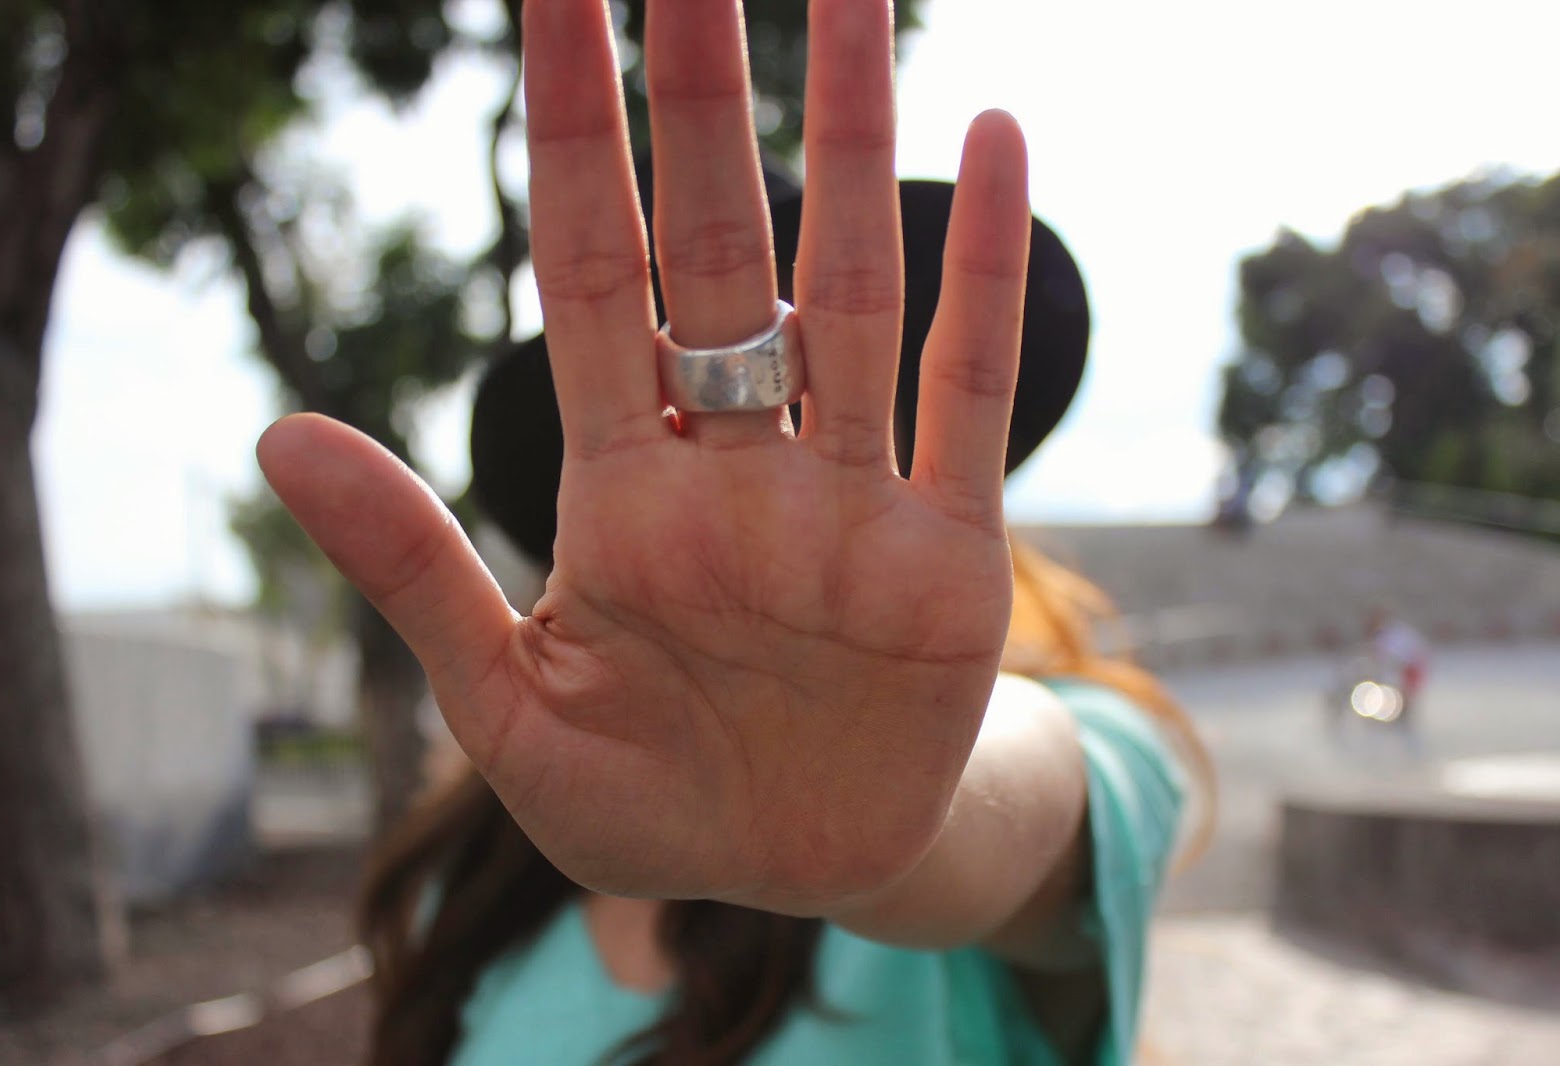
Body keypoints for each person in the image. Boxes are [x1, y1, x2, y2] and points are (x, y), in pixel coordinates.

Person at [254, 1, 1210, 1062]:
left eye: (807, 398)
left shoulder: (1089, 739)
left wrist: (891, 813)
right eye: (689, 409)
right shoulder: (482, 867)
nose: (755, 498)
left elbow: (1027, 804)